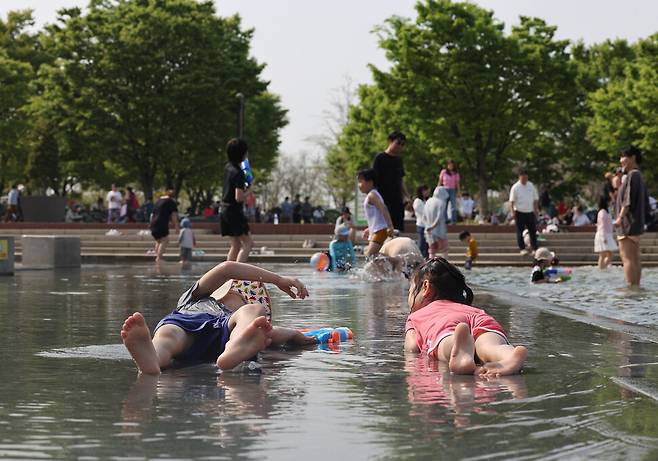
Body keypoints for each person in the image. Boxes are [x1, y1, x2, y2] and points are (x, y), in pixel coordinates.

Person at [120, 261, 316, 374]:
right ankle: (151, 358)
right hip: (190, 323)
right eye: (240, 296)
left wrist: (296, 335)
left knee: (254, 313)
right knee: (168, 335)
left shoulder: (239, 316)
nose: (241, 301)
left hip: (223, 335)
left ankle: (234, 349)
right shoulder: (196, 297)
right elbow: (226, 268)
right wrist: (278, 280)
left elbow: (272, 333)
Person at [404, 257, 527, 375]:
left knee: (445, 341)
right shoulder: (471, 309)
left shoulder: (418, 316)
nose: (409, 297)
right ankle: (510, 356)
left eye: (410, 291)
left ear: (426, 287)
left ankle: (460, 350)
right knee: (490, 345)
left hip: (446, 323)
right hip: (480, 318)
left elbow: (412, 347)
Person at [614, 146, 649, 287]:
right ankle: (636, 286)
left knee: (627, 257)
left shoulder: (632, 175)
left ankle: (630, 287)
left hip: (627, 223)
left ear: (633, 157)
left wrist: (619, 218)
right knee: (634, 258)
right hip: (636, 222)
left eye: (624, 157)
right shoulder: (638, 175)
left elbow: (627, 201)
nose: (621, 160)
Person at [220, 138, 253, 262]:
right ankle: (237, 274)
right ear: (242, 153)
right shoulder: (238, 172)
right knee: (248, 243)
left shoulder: (228, 168)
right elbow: (238, 197)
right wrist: (250, 190)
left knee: (236, 245)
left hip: (224, 210)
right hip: (234, 212)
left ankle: (228, 274)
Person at [372, 131, 410, 232]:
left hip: (397, 200)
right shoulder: (380, 158)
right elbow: (374, 180)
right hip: (383, 199)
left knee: (397, 229)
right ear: (390, 141)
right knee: (384, 228)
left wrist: (407, 196)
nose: (400, 146)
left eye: (402, 144)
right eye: (398, 143)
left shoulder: (399, 160)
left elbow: (401, 180)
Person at [357, 168, 394, 257]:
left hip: (380, 231)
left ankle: (396, 262)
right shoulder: (373, 194)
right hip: (377, 230)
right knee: (375, 258)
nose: (359, 185)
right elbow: (376, 216)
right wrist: (369, 229)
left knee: (369, 256)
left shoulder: (372, 195)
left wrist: (390, 226)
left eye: (361, 181)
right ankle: (392, 265)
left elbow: (383, 208)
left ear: (370, 182)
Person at [509, 171, 539, 256]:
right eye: (523, 178)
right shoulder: (515, 187)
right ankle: (522, 248)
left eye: (526, 178)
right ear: (519, 177)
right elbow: (511, 201)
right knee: (520, 231)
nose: (524, 180)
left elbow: (535, 199)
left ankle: (534, 248)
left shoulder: (531, 186)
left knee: (533, 231)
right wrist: (512, 211)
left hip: (530, 212)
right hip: (519, 212)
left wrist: (536, 210)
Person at [150, 190, 179, 262]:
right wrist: (176, 226)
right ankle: (159, 258)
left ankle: (157, 257)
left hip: (153, 223)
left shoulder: (158, 201)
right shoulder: (171, 202)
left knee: (159, 240)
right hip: (161, 223)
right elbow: (174, 215)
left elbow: (152, 213)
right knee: (165, 240)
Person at [424, 186, 449, 259]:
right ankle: (444, 265)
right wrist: (433, 226)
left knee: (432, 250)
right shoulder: (441, 202)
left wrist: (428, 227)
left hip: (429, 230)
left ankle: (430, 265)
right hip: (439, 230)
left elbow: (424, 216)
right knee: (444, 249)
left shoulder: (428, 201)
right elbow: (439, 217)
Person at [594, 195, 617, 269]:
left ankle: (603, 267)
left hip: (607, 234)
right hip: (603, 235)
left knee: (610, 254)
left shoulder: (606, 212)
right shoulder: (602, 212)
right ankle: (601, 267)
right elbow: (601, 226)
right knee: (603, 254)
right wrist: (604, 237)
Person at [438, 159, 460, 224]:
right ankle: (445, 219)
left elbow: (458, 183)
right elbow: (440, 181)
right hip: (445, 190)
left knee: (453, 206)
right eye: (449, 165)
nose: (450, 166)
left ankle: (453, 220)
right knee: (444, 205)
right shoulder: (443, 172)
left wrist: (459, 191)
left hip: (452, 190)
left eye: (452, 165)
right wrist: (437, 189)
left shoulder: (456, 173)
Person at [413, 185, 429, 259]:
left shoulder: (426, 201)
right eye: (425, 190)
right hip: (421, 225)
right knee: (422, 244)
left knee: (427, 245)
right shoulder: (417, 201)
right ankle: (420, 260)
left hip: (428, 226)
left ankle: (426, 259)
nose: (427, 192)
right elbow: (423, 213)